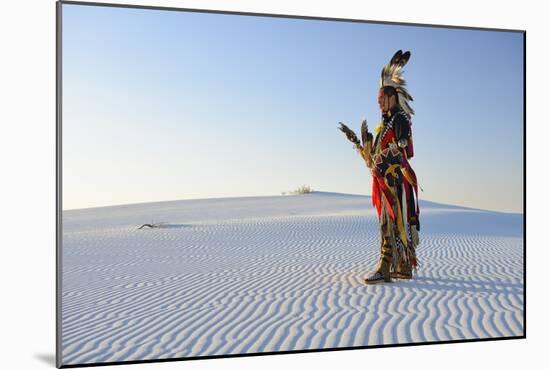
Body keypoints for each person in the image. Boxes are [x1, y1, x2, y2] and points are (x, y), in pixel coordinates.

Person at [359, 50, 421, 284]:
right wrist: (370, 156)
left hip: (394, 181)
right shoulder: (384, 124)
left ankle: (385, 267)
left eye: (382, 98)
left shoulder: (400, 119)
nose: (379, 102)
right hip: (385, 179)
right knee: (394, 221)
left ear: (392, 97)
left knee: (391, 220)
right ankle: (402, 266)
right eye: (378, 99)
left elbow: (403, 144)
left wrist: (391, 151)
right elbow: (379, 152)